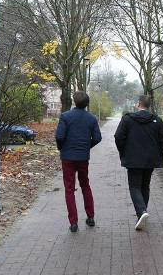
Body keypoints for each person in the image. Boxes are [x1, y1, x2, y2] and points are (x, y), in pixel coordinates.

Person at [114, 95, 163, 230]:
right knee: (145, 185)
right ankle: (142, 213)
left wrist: (124, 152)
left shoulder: (127, 119)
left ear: (138, 104)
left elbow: (118, 137)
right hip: (150, 159)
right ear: (148, 105)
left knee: (134, 187)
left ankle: (142, 212)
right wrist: (158, 154)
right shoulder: (157, 120)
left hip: (133, 159)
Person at [55, 91, 102, 232]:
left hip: (68, 158)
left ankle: (74, 223)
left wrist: (61, 148)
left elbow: (59, 136)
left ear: (74, 102)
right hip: (83, 157)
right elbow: (98, 138)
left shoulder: (65, 116)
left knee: (69, 189)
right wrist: (86, 147)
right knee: (85, 185)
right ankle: (91, 216)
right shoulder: (91, 118)